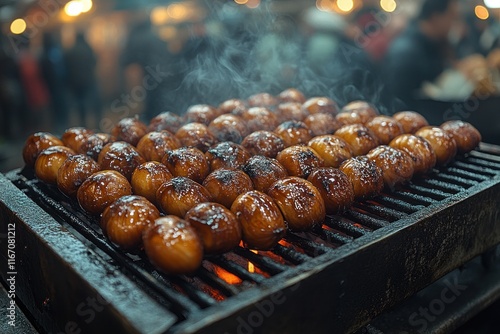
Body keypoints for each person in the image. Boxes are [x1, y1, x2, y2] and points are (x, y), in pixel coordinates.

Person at [382, 0, 461, 111]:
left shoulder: (435, 43)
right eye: (452, 18)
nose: (455, 24)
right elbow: (399, 102)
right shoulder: (406, 52)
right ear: (436, 17)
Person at [65, 32, 101, 128]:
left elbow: (67, 66)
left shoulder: (71, 50)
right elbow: (94, 61)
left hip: (75, 82)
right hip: (88, 80)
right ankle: (97, 123)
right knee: (93, 101)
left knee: (80, 104)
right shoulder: (87, 48)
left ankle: (83, 124)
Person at [40, 32, 69, 133]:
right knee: (57, 105)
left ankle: (61, 125)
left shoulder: (49, 52)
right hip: (56, 84)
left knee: (58, 105)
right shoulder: (53, 52)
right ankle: (59, 125)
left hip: (56, 85)